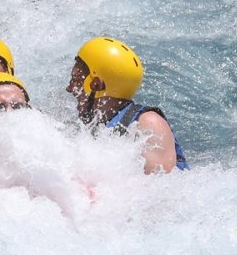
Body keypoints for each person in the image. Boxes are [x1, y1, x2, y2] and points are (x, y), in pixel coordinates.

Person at [66, 36, 189, 173]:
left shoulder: (149, 124)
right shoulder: (95, 126)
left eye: (75, 80)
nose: (69, 88)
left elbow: (161, 188)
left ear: (95, 84)